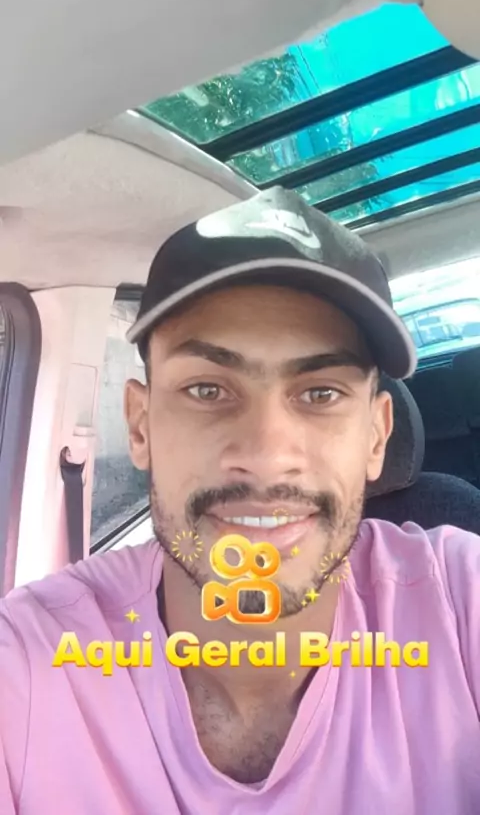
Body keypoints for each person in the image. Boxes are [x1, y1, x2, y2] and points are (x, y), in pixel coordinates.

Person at [0, 187, 479, 815]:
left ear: (375, 436)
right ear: (140, 427)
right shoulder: (28, 660)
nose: (266, 454)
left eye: (321, 394)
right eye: (207, 389)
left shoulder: (459, 602)